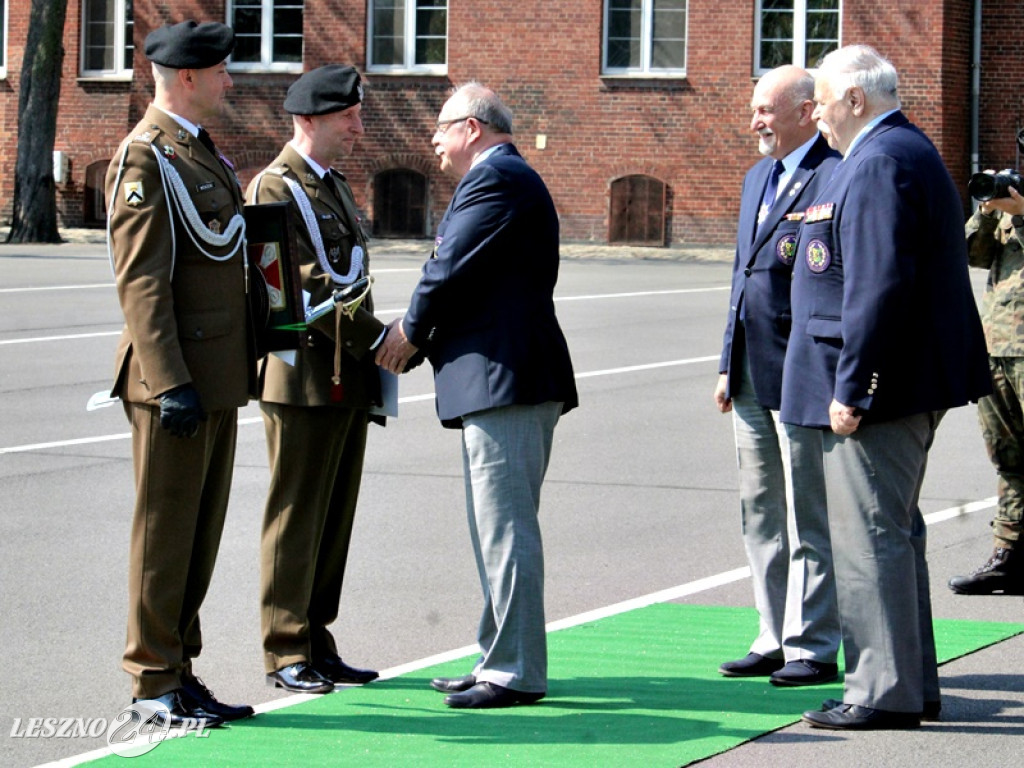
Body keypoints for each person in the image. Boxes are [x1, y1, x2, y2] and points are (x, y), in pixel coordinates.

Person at [780, 45, 991, 730]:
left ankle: (880, 690)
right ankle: (908, 683)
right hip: (903, 382)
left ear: (856, 100)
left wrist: (855, 387)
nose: (814, 116)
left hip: (882, 388)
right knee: (891, 535)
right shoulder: (900, 151)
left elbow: (876, 287)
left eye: (820, 101)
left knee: (869, 537)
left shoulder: (877, 162)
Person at [375, 83, 578, 709]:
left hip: (506, 379)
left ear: (471, 127)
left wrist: (407, 332)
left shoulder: (497, 180)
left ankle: (515, 671)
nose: (433, 141)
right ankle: (498, 657)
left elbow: (449, 266)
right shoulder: (501, 178)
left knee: (506, 529)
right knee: (494, 528)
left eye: (440, 128)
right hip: (497, 378)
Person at [105, 20, 256, 726]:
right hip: (176, 382)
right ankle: (151, 683)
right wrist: (170, 382)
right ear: (188, 77)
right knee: (165, 538)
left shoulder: (198, 154)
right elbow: (142, 283)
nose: (231, 82)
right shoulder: (146, 159)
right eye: (222, 71)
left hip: (216, 377)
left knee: (198, 536)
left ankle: (180, 668)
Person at [246, 65, 384, 694]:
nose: (359, 126)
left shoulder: (330, 186)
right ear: (307, 121)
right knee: (296, 513)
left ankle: (316, 637)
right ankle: (285, 647)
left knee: (333, 516)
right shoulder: (275, 188)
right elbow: (297, 283)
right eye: (347, 117)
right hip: (300, 376)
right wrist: (378, 339)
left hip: (343, 377)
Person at [714, 65, 842, 686]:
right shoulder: (757, 177)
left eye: (766, 109)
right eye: (754, 109)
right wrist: (723, 363)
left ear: (805, 111)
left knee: (809, 515)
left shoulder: (834, 172)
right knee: (760, 511)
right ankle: (771, 632)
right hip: (748, 372)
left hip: (802, 375)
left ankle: (813, 643)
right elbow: (742, 279)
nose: (755, 121)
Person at [948, 166, 1024, 596]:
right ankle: (1008, 556)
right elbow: (970, 255)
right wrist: (987, 210)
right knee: (1008, 459)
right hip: (998, 346)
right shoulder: (1009, 202)